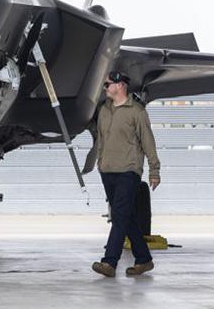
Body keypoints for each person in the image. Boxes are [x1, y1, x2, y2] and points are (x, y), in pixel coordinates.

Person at [92, 71, 161, 278]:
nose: (105, 88)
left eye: (108, 84)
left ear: (121, 86)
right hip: (108, 170)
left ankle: (109, 262)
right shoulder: (104, 110)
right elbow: (101, 139)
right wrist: (100, 163)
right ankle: (144, 259)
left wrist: (154, 170)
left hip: (128, 171)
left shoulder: (137, 112)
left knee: (119, 216)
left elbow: (148, 142)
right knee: (127, 217)